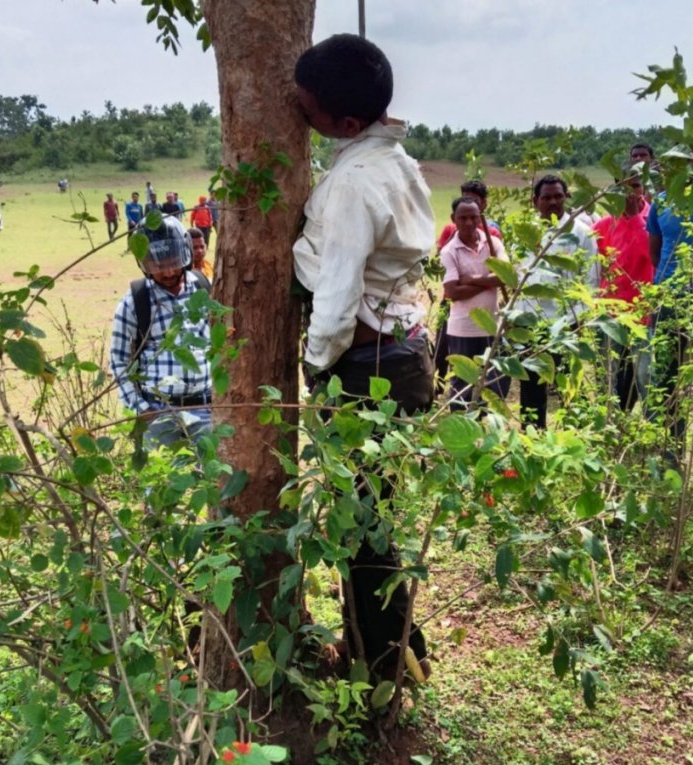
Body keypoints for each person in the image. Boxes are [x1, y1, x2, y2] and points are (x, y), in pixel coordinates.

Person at [293, 33, 434, 679]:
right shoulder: (397, 163)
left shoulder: (353, 183)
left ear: (346, 124)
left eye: (308, 108)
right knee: (372, 517)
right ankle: (390, 646)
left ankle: (385, 662)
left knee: (361, 527)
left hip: (365, 363)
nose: (298, 110)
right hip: (403, 355)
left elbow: (340, 290)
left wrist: (317, 363)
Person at [110, 216, 213, 449]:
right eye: (158, 266)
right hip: (158, 414)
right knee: (160, 483)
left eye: (173, 262)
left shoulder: (205, 289)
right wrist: (141, 409)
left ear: (184, 254)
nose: (167, 272)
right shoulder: (134, 303)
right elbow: (119, 361)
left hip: (208, 411)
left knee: (213, 479)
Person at [513, 175, 600, 429]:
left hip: (565, 324)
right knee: (530, 385)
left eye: (558, 196)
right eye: (546, 197)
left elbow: (590, 280)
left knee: (567, 386)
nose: (553, 202)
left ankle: (574, 438)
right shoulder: (526, 233)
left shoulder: (581, 234)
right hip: (529, 323)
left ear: (566, 197)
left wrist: (579, 321)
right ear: (535, 201)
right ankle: (532, 439)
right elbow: (519, 277)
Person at [646, 184, 693, 466]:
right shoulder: (662, 203)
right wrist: (671, 287)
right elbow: (655, 255)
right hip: (671, 300)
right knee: (666, 379)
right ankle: (670, 457)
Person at [593, 172, 653, 411]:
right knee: (607, 377)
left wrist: (635, 218)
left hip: (644, 313)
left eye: (636, 186)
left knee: (645, 376)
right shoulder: (605, 224)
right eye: (623, 187)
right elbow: (591, 266)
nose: (630, 193)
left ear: (643, 188)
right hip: (610, 313)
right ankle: (609, 430)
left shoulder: (653, 217)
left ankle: (653, 431)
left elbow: (649, 254)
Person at [440, 198, 509, 407]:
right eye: (463, 218)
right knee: (462, 384)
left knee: (493, 382)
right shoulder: (449, 251)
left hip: (491, 326)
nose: (469, 222)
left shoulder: (493, 244)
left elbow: (506, 276)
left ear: (480, 218)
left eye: (473, 217)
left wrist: (470, 280)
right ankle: (460, 430)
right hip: (464, 329)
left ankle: (482, 423)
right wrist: (489, 280)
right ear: (454, 219)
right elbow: (452, 292)